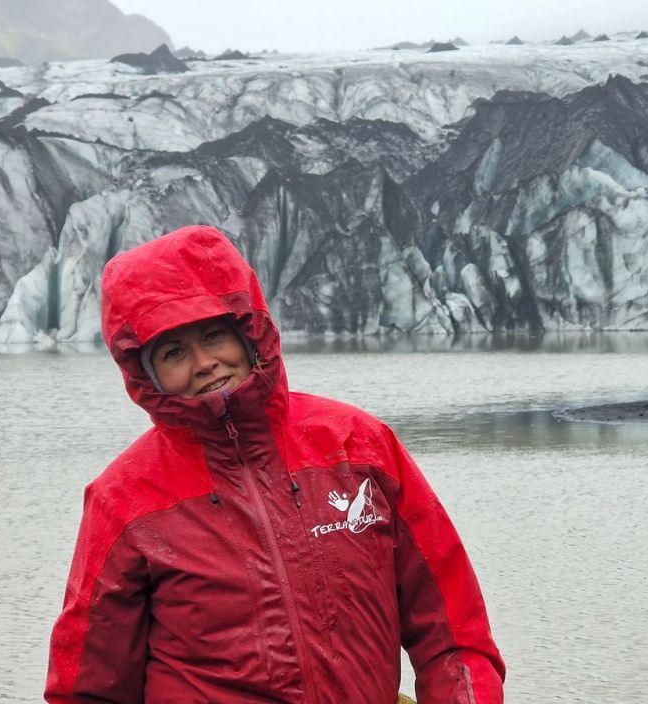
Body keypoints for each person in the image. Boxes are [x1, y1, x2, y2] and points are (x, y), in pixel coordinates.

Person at [46, 226, 505, 703]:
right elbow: (89, 688)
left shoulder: (358, 445)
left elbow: (454, 633)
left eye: (213, 335)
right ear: (145, 373)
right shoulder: (125, 499)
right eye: (174, 352)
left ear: (248, 333)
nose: (204, 363)